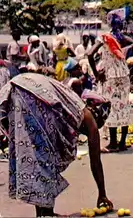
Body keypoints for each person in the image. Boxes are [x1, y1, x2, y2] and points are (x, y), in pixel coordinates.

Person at [0, 73, 112, 217]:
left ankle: (43, 211)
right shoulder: (89, 118)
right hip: (30, 93)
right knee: (43, 154)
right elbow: (95, 160)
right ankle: (46, 212)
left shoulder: (72, 103)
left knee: (36, 153)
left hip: (16, 88)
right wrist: (102, 194)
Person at [88, 32, 130, 153]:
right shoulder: (122, 37)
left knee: (112, 107)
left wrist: (96, 74)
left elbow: (89, 54)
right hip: (124, 75)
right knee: (123, 107)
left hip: (110, 76)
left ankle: (113, 143)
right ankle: (122, 142)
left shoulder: (104, 37)